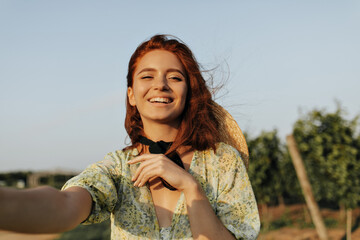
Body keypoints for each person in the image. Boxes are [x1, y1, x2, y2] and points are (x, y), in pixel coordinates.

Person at [0, 35, 260, 239]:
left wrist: (190, 187)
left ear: (189, 92)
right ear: (132, 95)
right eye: (147, 76)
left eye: (175, 77)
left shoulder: (223, 161)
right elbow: (65, 206)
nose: (161, 85)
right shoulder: (118, 168)